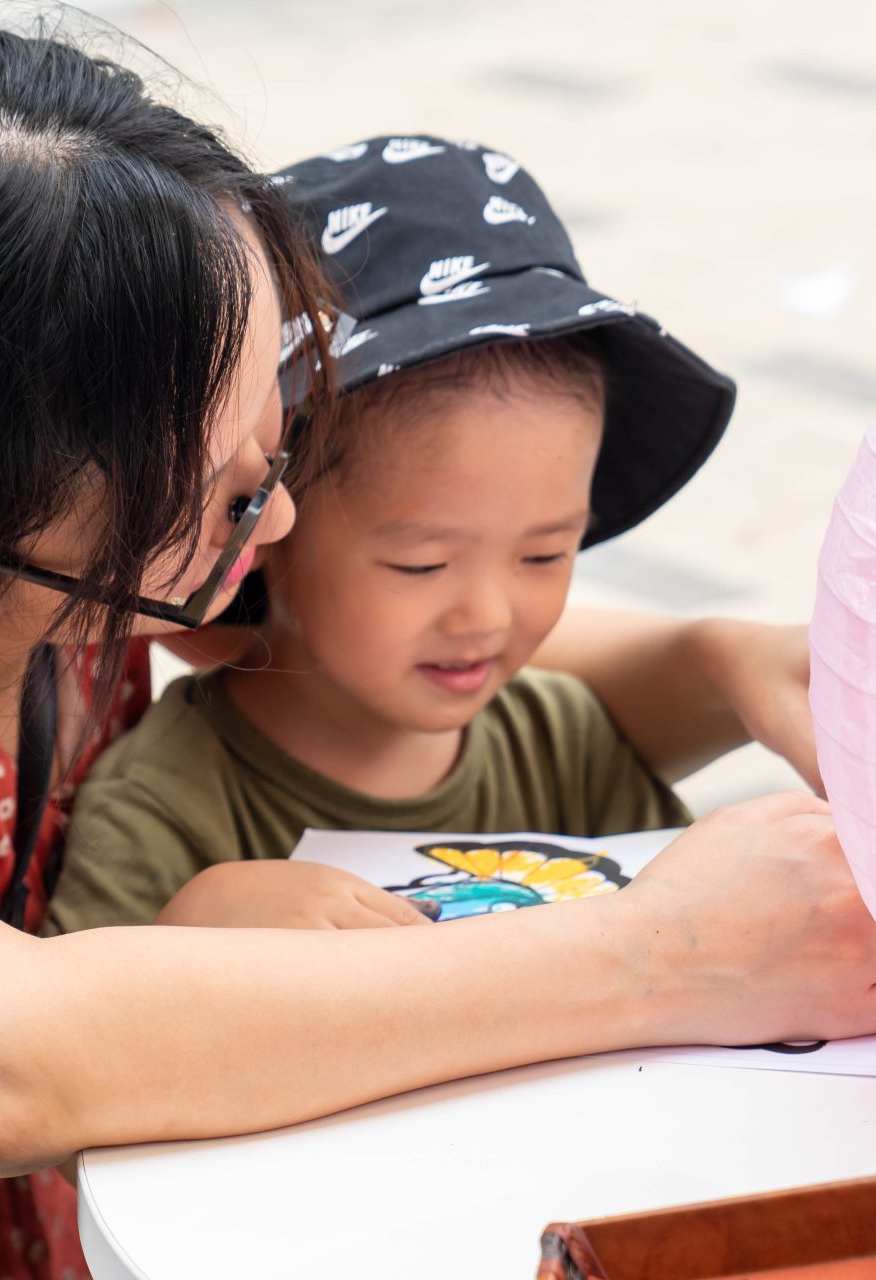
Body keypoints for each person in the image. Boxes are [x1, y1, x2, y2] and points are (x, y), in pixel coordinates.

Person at [0, 21, 876, 1280]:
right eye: (235, 500)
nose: (285, 516)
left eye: (276, 436)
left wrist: (727, 663)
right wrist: (659, 955)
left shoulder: (11, 473)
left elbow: (372, 647)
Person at [47, 136, 724, 932]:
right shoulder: (166, 805)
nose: (487, 615)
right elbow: (85, 1036)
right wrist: (191, 934)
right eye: (421, 563)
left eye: (545, 553)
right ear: (271, 527)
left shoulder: (568, 743)